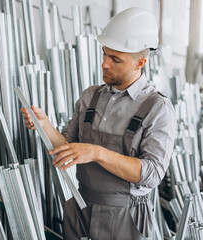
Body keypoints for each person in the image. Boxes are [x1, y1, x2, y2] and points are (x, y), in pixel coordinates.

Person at [20, 7, 176, 240]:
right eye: (104, 54)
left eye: (115, 59)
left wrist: (97, 153)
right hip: (81, 208)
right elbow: (67, 146)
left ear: (140, 62)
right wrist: (45, 125)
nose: (104, 64)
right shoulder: (91, 97)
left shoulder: (157, 108)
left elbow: (152, 173)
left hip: (125, 216)